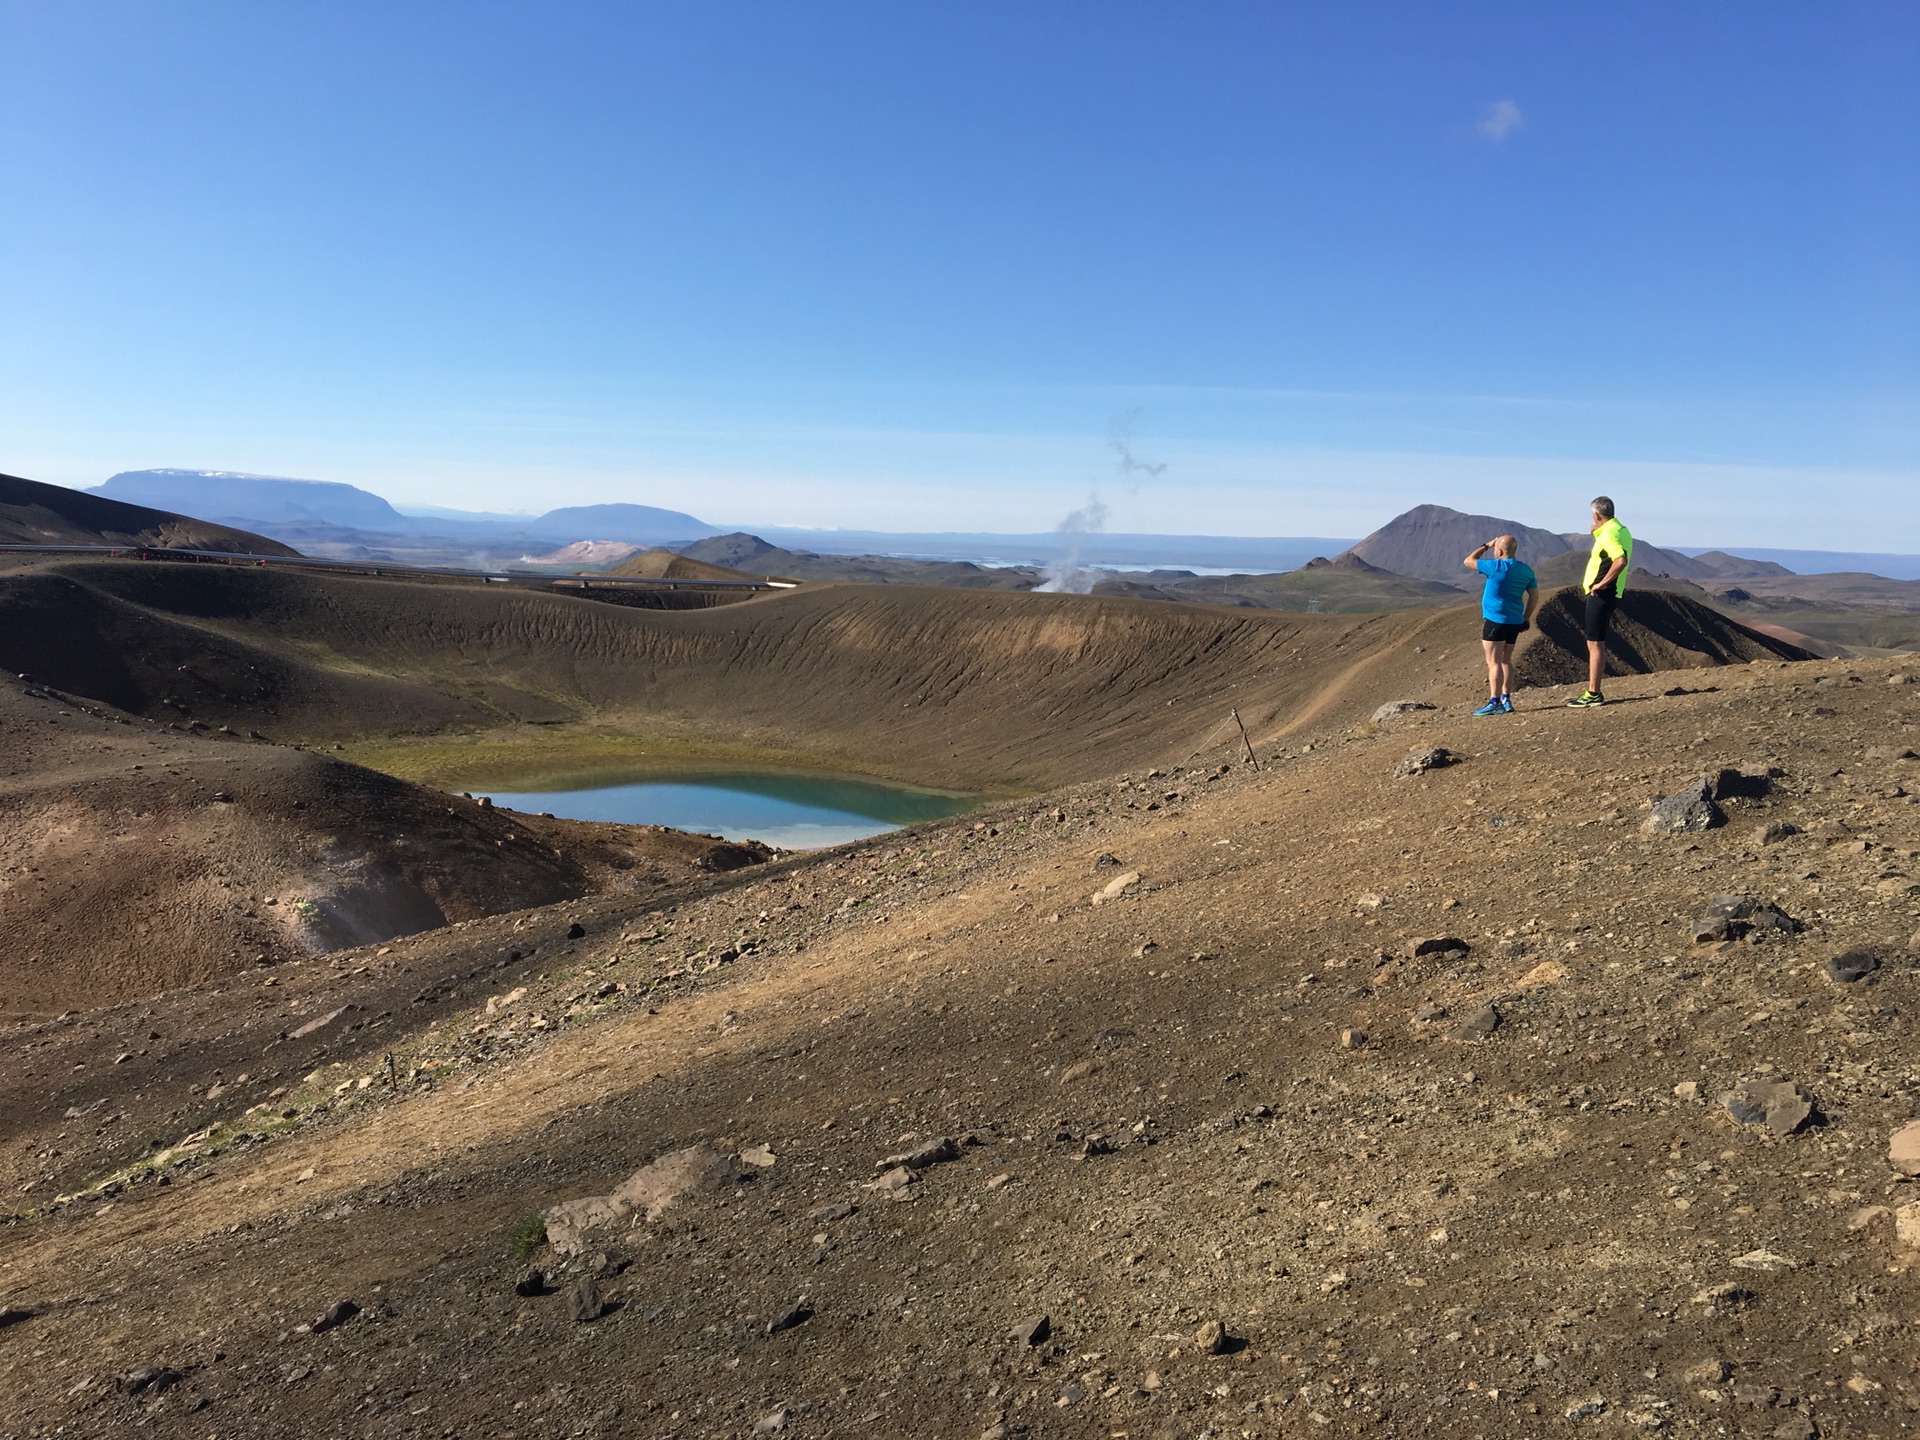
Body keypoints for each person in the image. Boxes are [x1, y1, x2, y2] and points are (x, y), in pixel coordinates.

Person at [1568, 496, 1632, 707]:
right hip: (1611, 592)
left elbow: (1619, 559)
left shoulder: (1609, 534)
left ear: (1596, 514)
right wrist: (1597, 529)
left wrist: (1602, 584)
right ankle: (1593, 691)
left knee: (1594, 643)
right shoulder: (1619, 529)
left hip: (1602, 594)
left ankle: (1593, 693)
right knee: (1596, 641)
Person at [1462, 534, 1537, 715]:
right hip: (1514, 621)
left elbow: (1468, 561)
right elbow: (1534, 596)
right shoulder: (1526, 570)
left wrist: (1486, 545)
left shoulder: (1495, 566)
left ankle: (1494, 701)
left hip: (1495, 620)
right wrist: (1526, 617)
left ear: (1499, 550)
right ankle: (1506, 699)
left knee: (1493, 662)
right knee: (1506, 661)